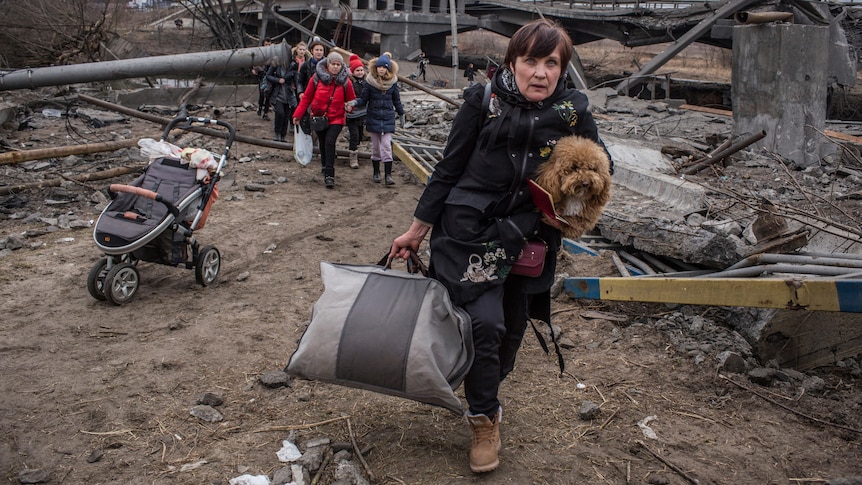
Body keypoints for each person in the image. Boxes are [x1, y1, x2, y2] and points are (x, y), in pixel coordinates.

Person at [389, 19, 611, 474]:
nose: (540, 73)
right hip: (471, 232)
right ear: (512, 62)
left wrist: (567, 210)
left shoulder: (573, 111)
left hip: (530, 237)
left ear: (562, 68)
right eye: (530, 60)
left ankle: (481, 382)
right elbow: (447, 170)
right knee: (484, 325)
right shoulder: (482, 101)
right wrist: (417, 230)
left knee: (510, 332)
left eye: (551, 63)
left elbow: (601, 170)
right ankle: (483, 418)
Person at [292, 51, 356, 188]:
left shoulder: (346, 82)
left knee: (330, 142)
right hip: (318, 117)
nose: (335, 67)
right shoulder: (316, 78)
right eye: (333, 64)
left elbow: (351, 100)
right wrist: (297, 115)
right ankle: (324, 165)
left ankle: (329, 173)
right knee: (322, 142)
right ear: (328, 64)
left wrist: (350, 107)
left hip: (337, 117)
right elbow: (307, 98)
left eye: (338, 64)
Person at [349, 52, 404, 185]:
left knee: (386, 146)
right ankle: (376, 172)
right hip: (373, 117)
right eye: (379, 67)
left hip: (387, 118)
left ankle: (388, 175)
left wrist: (401, 113)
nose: (381, 69)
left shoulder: (392, 83)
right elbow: (364, 99)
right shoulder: (370, 83)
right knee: (375, 148)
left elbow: (397, 100)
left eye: (384, 67)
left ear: (388, 69)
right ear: (375, 68)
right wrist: (355, 102)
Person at [266, 54, 297, 142]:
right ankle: (277, 133)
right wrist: (278, 80)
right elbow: (268, 76)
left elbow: (296, 77)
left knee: (286, 115)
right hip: (277, 94)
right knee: (280, 113)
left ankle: (283, 135)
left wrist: (295, 84)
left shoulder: (293, 66)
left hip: (289, 95)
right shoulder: (276, 65)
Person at [345, 54, 367, 169]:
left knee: (359, 136)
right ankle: (353, 156)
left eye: (361, 70)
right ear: (352, 72)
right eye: (357, 70)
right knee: (354, 135)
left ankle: (355, 149)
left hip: (362, 113)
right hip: (352, 113)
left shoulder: (365, 83)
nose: (360, 72)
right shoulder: (350, 83)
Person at [296, 36, 326, 102]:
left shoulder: (327, 65)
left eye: (321, 50)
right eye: (317, 50)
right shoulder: (306, 65)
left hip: (323, 95)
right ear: (312, 51)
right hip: (308, 94)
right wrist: (300, 92)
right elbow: (300, 80)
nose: (319, 52)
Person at [252, 37, 274, 120]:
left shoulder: (272, 53)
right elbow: (254, 63)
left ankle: (265, 112)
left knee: (268, 94)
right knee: (262, 93)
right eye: (266, 44)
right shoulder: (260, 53)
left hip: (270, 75)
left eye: (269, 44)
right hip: (261, 75)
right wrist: (255, 70)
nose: (267, 46)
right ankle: (260, 107)